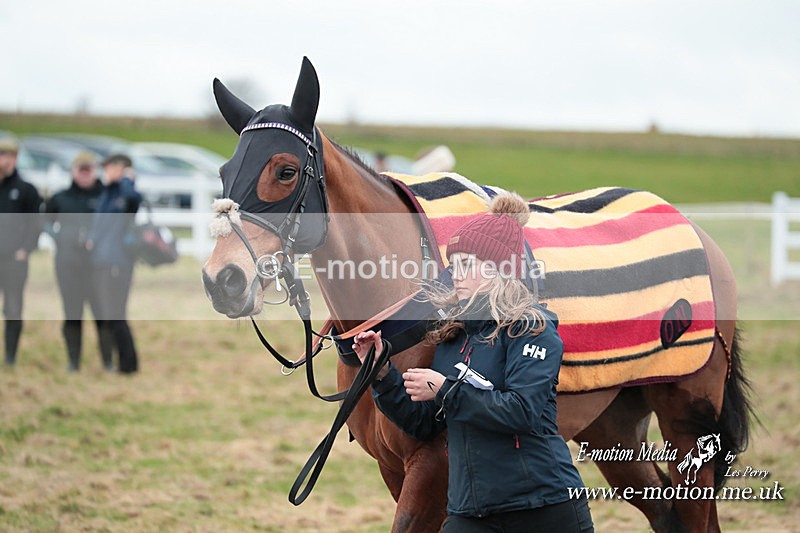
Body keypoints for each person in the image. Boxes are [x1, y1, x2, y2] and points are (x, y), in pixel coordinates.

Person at [353, 193, 594, 532]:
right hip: (470, 512)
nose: (457, 275)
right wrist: (380, 373)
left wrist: (445, 390)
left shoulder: (532, 330)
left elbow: (521, 411)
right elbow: (423, 426)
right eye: (455, 264)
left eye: (468, 265)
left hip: (544, 507)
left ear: (501, 272)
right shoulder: (454, 337)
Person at [46, 151, 112, 372]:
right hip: (68, 264)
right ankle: (73, 362)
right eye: (80, 170)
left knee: (102, 313)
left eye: (88, 169)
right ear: (73, 172)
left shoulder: (106, 197)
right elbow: (44, 221)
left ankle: (107, 362)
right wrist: (59, 238)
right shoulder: (61, 198)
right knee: (72, 313)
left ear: (95, 171)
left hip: (97, 265)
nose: (84, 174)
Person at [86, 153, 141, 374]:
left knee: (116, 315)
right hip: (101, 262)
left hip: (118, 264)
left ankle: (128, 366)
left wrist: (127, 178)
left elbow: (134, 200)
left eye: (109, 167)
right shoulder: (107, 193)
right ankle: (123, 363)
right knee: (110, 315)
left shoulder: (126, 194)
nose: (105, 171)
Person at [0, 137, 42, 367]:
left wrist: (25, 249)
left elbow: (35, 224)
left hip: (13, 260)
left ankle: (10, 357)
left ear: (14, 158)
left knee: (13, 308)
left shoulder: (26, 190)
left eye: (4, 155)